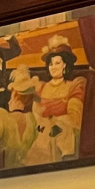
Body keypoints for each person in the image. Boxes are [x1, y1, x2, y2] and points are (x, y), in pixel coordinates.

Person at [24, 38, 86, 167]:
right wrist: (43, 126)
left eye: (57, 63)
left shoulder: (73, 86)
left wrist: (56, 122)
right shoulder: (40, 88)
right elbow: (36, 116)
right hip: (42, 131)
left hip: (65, 131)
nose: (53, 67)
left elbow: (76, 117)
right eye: (51, 64)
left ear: (65, 65)